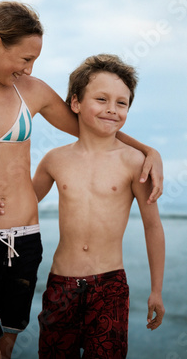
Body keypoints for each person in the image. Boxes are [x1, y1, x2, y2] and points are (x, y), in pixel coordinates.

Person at [0, 2, 162, 359]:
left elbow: (94, 128)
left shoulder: (31, 90)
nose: (30, 68)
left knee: (4, 350)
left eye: (34, 61)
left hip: (26, 243)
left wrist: (150, 152)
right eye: (25, 58)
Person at [33, 54, 165, 359]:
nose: (112, 110)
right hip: (60, 285)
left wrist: (156, 290)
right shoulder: (55, 159)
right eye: (102, 99)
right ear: (76, 103)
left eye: (122, 103)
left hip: (110, 287)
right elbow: (23, 203)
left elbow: (152, 226)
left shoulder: (135, 163)